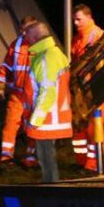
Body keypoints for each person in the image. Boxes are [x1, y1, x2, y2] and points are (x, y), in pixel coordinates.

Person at [23, 22, 72, 183]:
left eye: (27, 35)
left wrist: (36, 119)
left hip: (48, 118)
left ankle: (51, 187)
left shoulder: (44, 59)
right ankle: (51, 183)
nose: (25, 39)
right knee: (47, 155)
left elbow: (47, 91)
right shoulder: (56, 53)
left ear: (35, 37)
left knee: (46, 156)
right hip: (56, 114)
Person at [70, 4, 104, 173]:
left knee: (94, 125)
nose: (75, 23)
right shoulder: (78, 38)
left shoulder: (99, 36)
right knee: (79, 124)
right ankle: (82, 160)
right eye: (74, 20)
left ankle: (94, 163)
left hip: (94, 87)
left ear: (89, 17)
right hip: (80, 88)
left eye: (78, 19)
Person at [0, 15, 38, 166]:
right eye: (24, 29)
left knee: (32, 126)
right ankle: (6, 157)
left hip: (34, 95)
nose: (27, 32)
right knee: (10, 124)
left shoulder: (41, 45)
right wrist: (1, 85)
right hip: (18, 94)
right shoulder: (16, 45)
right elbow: (6, 66)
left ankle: (30, 156)